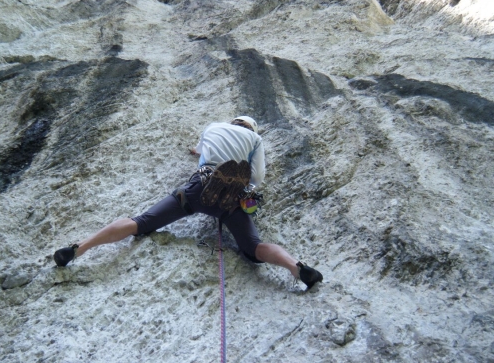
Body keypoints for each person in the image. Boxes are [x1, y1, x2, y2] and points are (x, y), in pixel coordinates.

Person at [53, 116, 323, 289]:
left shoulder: (213, 127)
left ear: (232, 122)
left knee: (141, 223)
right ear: (251, 128)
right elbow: (258, 176)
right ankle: (296, 269)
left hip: (198, 188)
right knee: (254, 247)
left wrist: (197, 153)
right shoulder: (255, 138)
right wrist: (246, 191)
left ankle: (80, 248)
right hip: (232, 199)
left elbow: (200, 150)